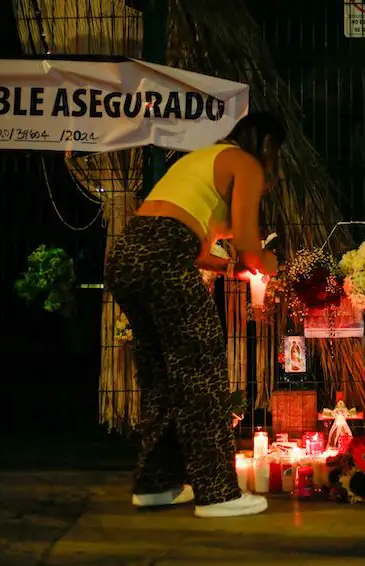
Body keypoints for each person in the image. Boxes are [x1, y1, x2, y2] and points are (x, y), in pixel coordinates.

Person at [104, 112, 284, 518]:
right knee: (201, 371)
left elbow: (186, 238)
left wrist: (228, 267)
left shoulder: (202, 159)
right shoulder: (247, 164)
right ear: (269, 146)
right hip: (165, 259)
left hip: (128, 256)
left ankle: (157, 484)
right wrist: (268, 263)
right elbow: (251, 249)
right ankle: (218, 493)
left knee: (162, 377)